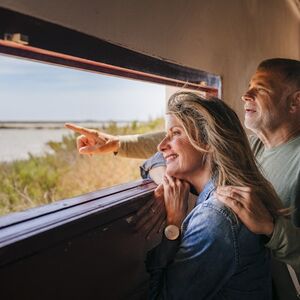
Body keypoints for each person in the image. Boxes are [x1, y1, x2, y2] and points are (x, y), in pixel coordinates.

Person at [65, 58, 300, 298]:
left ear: (296, 100)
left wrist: (272, 229)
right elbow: (170, 147)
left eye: (260, 89)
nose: (245, 95)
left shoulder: (216, 218)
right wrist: (129, 151)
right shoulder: (251, 148)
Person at [147, 91, 286, 299]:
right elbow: (150, 162)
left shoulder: (216, 218)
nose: (161, 145)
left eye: (176, 133)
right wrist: (168, 180)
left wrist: (173, 225)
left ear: (208, 143)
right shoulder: (226, 194)